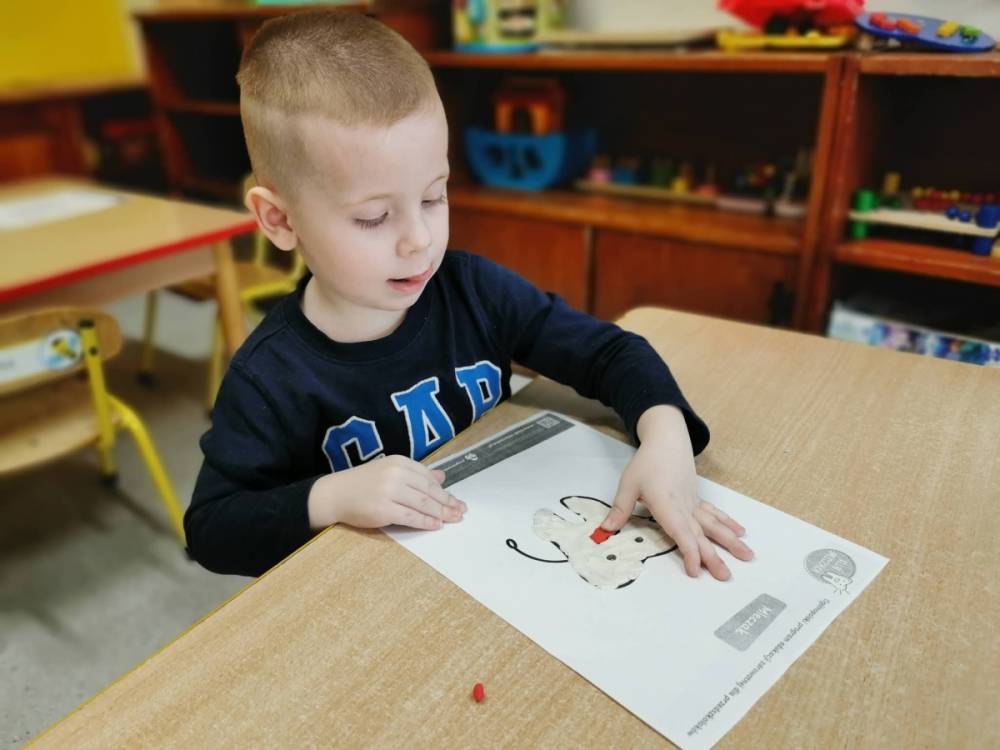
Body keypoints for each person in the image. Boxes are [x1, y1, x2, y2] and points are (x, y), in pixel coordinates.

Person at [184, 10, 753, 579]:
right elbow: (213, 528)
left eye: (434, 196)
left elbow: (611, 352)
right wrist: (328, 498)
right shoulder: (269, 377)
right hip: (378, 589)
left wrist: (665, 439)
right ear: (280, 220)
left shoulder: (475, 291)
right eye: (374, 217)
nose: (419, 240)